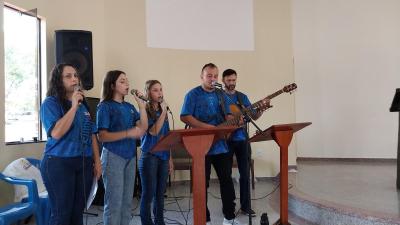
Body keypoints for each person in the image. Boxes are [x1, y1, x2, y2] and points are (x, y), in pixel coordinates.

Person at [40, 63, 102, 225]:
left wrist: (97, 161)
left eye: (75, 75)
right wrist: (73, 106)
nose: (74, 79)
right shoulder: (50, 103)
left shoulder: (84, 105)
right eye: (68, 76)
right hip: (58, 163)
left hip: (83, 163)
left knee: (77, 214)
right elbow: (56, 133)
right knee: (62, 214)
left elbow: (92, 134)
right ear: (58, 81)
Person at [180, 63, 241, 225]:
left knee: (226, 181)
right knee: (202, 183)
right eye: (209, 76)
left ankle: (229, 218)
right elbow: (185, 116)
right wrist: (207, 127)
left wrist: (235, 120)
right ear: (202, 77)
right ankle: (203, 219)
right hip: (200, 146)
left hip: (220, 145)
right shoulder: (192, 94)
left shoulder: (222, 95)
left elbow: (228, 116)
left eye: (215, 76)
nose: (212, 79)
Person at [96, 70, 148, 225]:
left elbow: (143, 129)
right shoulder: (105, 106)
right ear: (112, 85)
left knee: (127, 203)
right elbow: (102, 136)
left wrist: (142, 107)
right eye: (122, 81)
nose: (127, 84)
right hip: (113, 156)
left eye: (127, 80)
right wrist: (127, 133)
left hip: (130, 157)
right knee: (114, 204)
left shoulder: (130, 107)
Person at [222, 68, 270, 217]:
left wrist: (262, 109)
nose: (232, 83)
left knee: (245, 174)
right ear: (223, 80)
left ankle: (246, 206)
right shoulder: (219, 97)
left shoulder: (242, 97)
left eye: (234, 80)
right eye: (229, 80)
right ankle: (229, 208)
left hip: (243, 140)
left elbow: (254, 116)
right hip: (225, 140)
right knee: (226, 176)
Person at [139, 80, 173, 225]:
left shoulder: (163, 111)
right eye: (155, 90)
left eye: (161, 89)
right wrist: (164, 111)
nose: (160, 93)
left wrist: (170, 158)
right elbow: (154, 131)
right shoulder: (144, 110)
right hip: (150, 156)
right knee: (148, 194)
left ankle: (160, 222)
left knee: (160, 194)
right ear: (148, 93)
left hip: (164, 156)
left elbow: (167, 136)